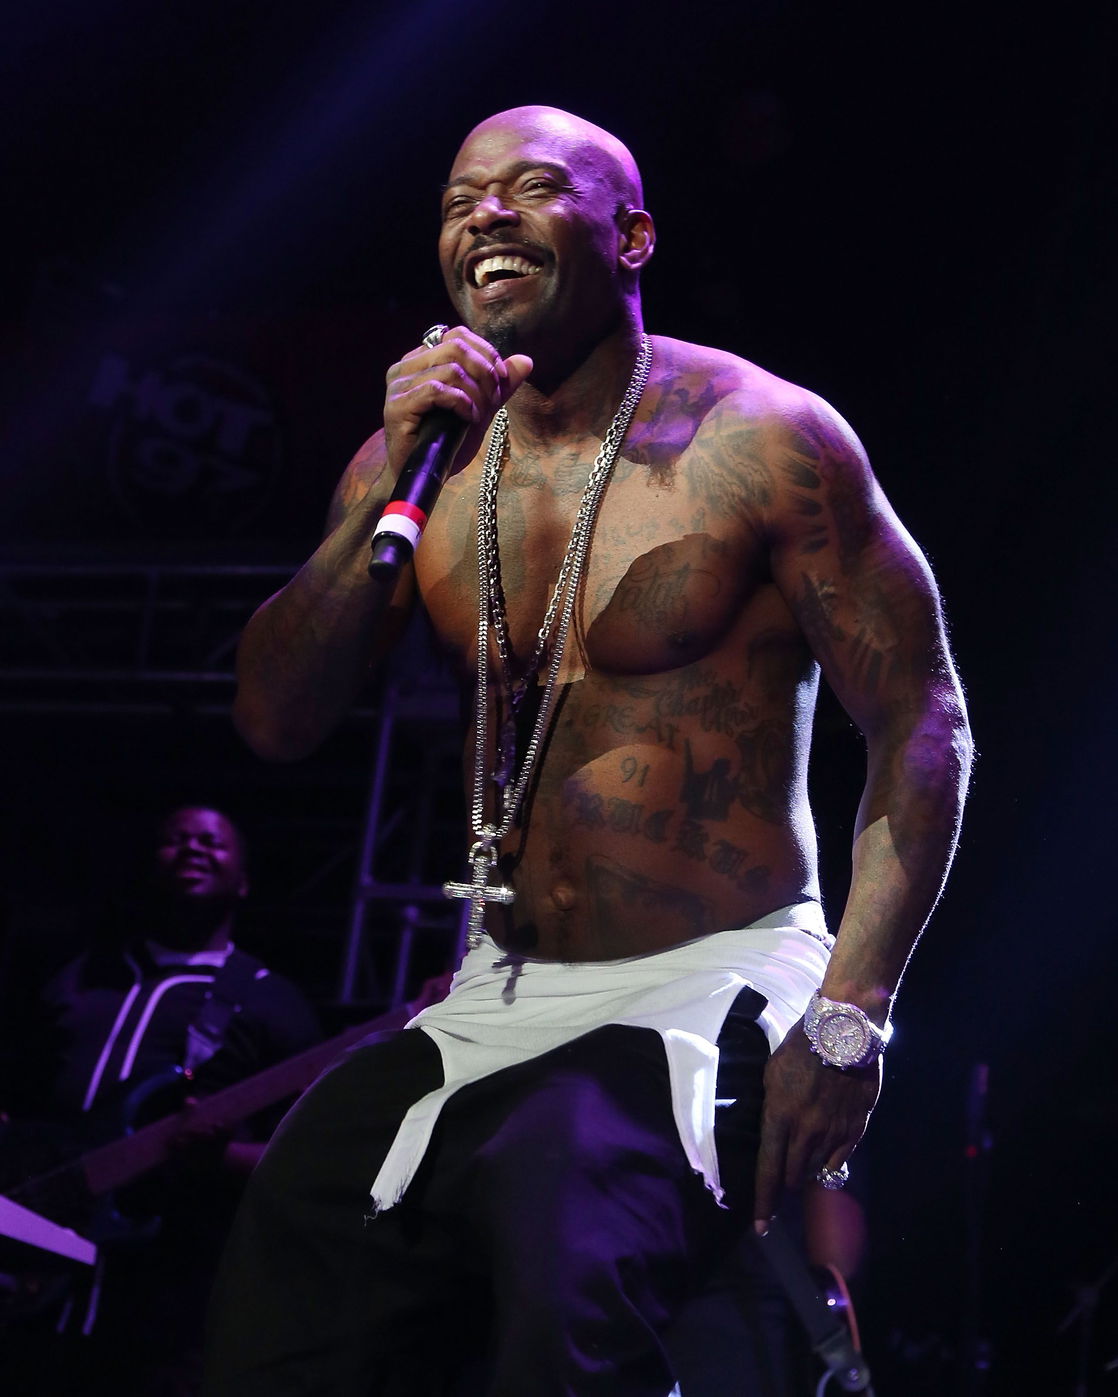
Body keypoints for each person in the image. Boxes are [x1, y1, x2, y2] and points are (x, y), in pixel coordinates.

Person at [203, 105, 972, 1396]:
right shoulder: (419, 461)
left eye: (530, 188)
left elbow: (922, 719)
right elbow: (274, 719)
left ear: (631, 238)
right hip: (497, 990)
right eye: (460, 201)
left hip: (711, 975)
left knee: (559, 1204)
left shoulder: (761, 437)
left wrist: (850, 1015)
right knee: (299, 1231)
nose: (485, 217)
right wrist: (380, 490)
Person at [0, 805, 321, 1396]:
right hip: (30, 1273)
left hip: (167, 1293)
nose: (193, 847)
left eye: (212, 843)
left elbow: (309, 1160)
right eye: (176, 839)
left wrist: (220, 1158)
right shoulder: (76, 977)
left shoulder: (273, 1003)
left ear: (244, 882)